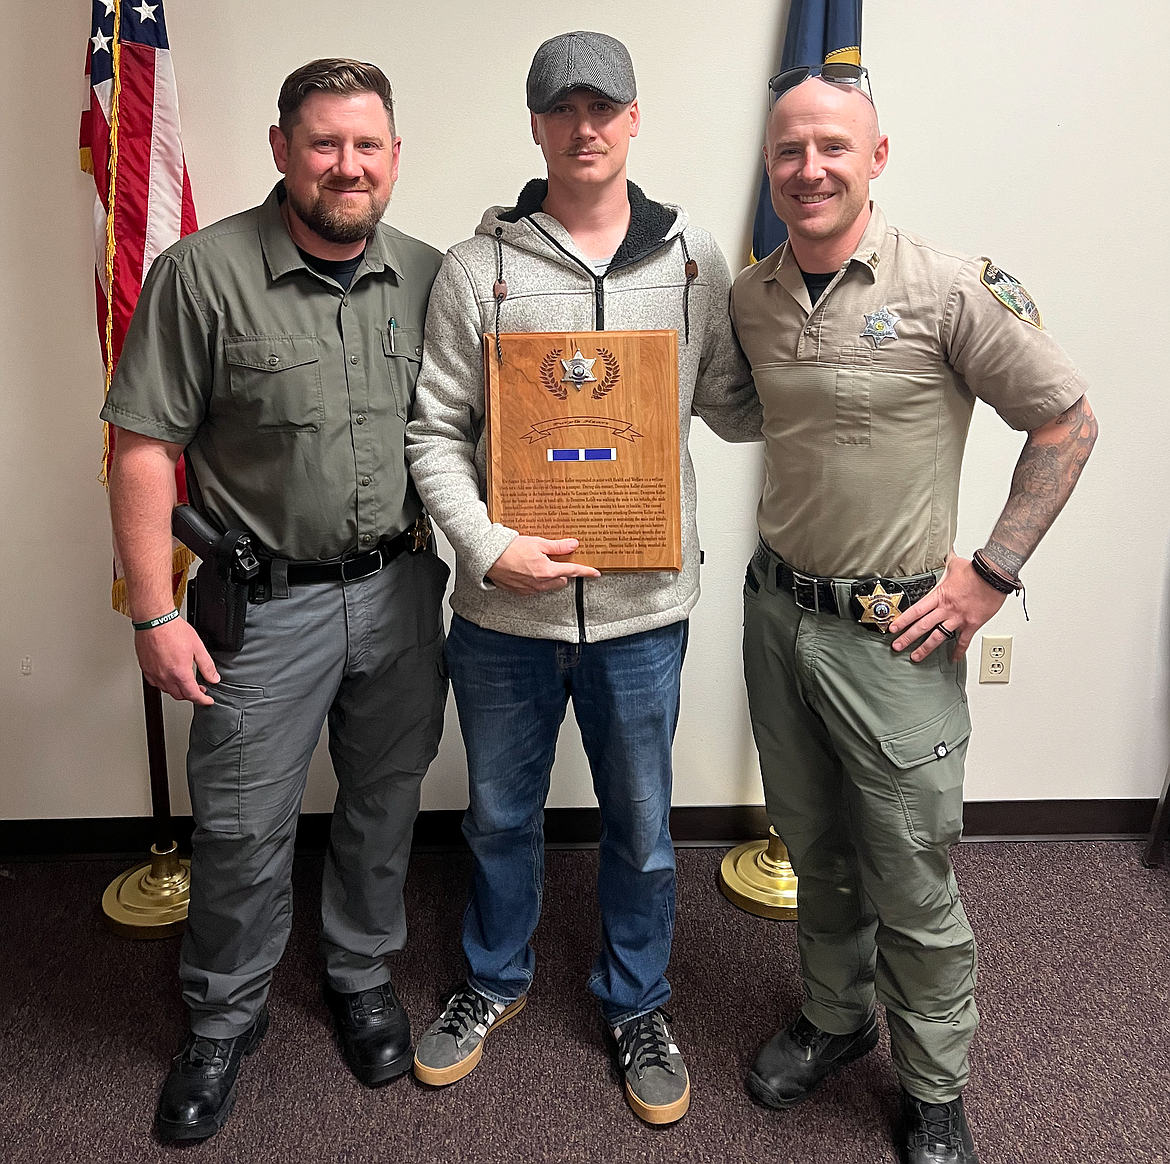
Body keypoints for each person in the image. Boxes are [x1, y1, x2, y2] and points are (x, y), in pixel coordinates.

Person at [731, 64, 1097, 1164]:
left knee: (910, 869)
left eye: (834, 147)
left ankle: (935, 1085)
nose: (810, 168)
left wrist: (990, 571)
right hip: (778, 618)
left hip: (895, 637)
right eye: (790, 148)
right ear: (770, 163)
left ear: (876, 159)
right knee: (814, 848)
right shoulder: (751, 295)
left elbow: (1068, 421)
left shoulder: (950, 286)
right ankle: (839, 1021)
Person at [404, 31, 760, 1125]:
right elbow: (433, 434)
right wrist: (485, 544)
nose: (585, 126)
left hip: (644, 613)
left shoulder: (694, 261)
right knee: (500, 815)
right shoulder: (482, 269)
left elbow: (737, 404)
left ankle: (637, 998)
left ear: (636, 118)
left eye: (604, 106)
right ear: (537, 125)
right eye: (564, 108)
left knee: (644, 825)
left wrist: (812, 344)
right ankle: (493, 980)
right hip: (505, 610)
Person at [101, 58, 449, 1141]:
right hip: (263, 607)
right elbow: (143, 446)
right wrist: (154, 613)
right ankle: (221, 1016)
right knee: (244, 828)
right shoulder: (199, 274)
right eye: (324, 143)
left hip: (399, 595)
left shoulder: (436, 276)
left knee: (383, 805)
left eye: (367, 146)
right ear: (281, 148)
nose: (347, 166)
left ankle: (357, 974)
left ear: (395, 158)